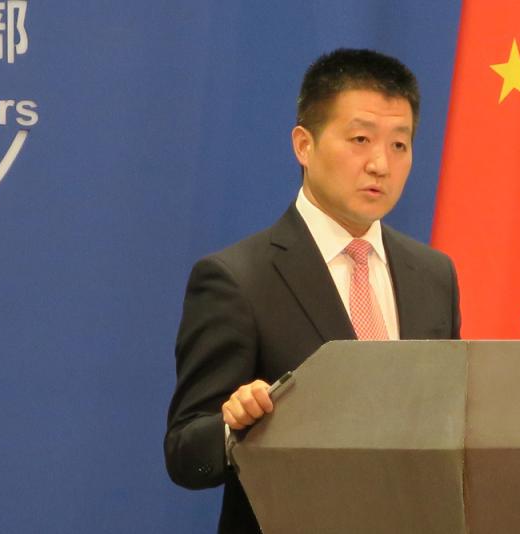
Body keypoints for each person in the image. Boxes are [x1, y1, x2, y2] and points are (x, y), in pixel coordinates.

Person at [164, 48, 461, 533]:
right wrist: (233, 426)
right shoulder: (237, 278)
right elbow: (184, 453)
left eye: (399, 145)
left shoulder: (433, 275)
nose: (381, 164)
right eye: (361, 139)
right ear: (304, 145)